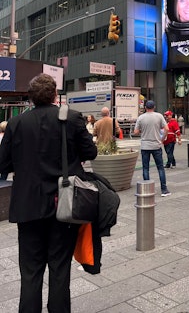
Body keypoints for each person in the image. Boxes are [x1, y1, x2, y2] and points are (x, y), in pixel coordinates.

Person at [0, 73, 97, 313]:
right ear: (55, 95)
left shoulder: (16, 124)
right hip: (63, 206)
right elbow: (91, 152)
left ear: (30, 97)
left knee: (30, 272)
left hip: (27, 206)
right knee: (60, 269)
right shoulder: (72, 119)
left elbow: (2, 164)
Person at [134, 100, 171, 196]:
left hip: (145, 146)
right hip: (156, 145)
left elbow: (136, 132)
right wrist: (162, 139)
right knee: (160, 168)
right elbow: (166, 129)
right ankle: (164, 190)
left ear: (145, 108)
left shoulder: (141, 118)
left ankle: (148, 190)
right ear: (154, 107)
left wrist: (143, 130)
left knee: (145, 168)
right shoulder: (159, 116)